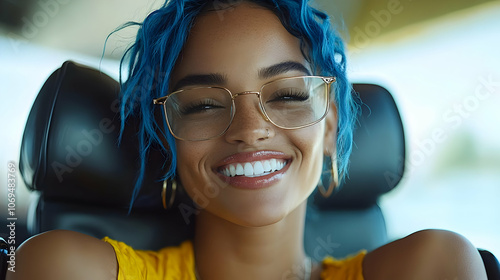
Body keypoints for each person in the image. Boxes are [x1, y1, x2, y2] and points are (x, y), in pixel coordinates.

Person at [8, 0, 488, 279]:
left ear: (329, 127)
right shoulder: (66, 268)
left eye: (286, 95)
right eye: (202, 104)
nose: (249, 128)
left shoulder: (433, 265)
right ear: (165, 140)